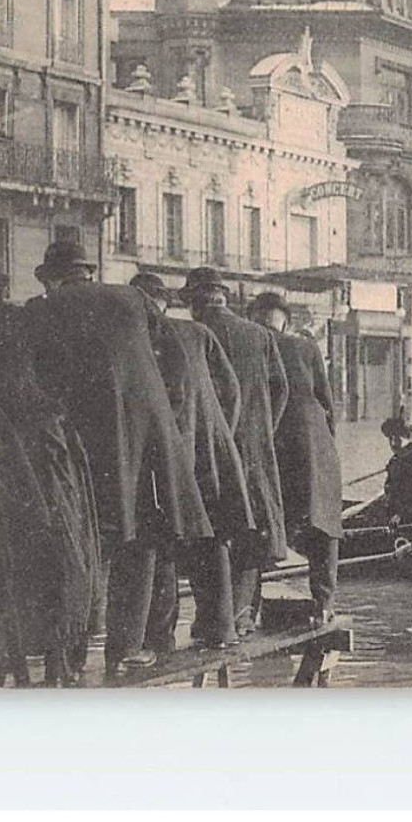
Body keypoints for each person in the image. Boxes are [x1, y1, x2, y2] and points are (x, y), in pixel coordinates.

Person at [25, 242, 210, 675]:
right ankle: (125, 648)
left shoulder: (45, 308)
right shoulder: (132, 297)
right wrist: (167, 410)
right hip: (148, 435)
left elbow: (41, 375)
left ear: (52, 278)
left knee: (86, 540)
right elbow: (178, 360)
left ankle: (68, 658)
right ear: (88, 272)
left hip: (89, 439)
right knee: (141, 534)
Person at [0, 241, 98, 686]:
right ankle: (57, 656)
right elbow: (44, 385)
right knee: (56, 543)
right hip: (31, 450)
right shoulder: (16, 320)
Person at [129, 272, 254, 651]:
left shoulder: (149, 339)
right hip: (213, 452)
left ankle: (160, 637)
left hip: (176, 455)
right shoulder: (198, 332)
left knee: (164, 540)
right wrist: (220, 437)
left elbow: (171, 400)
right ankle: (220, 629)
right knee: (212, 537)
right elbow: (231, 391)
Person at [183, 270, 288, 636]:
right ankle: (243, 615)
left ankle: (211, 618)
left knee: (210, 533)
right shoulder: (259, 335)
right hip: (255, 450)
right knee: (252, 530)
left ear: (193, 303)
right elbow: (281, 390)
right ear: (224, 298)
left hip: (210, 451)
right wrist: (262, 432)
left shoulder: (192, 335)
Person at [248, 291, 342, 624]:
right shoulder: (305, 347)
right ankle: (323, 604)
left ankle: (249, 609)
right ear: (284, 320)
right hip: (315, 441)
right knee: (323, 524)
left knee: (260, 522)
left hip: (275, 443)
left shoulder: (253, 346)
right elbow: (328, 403)